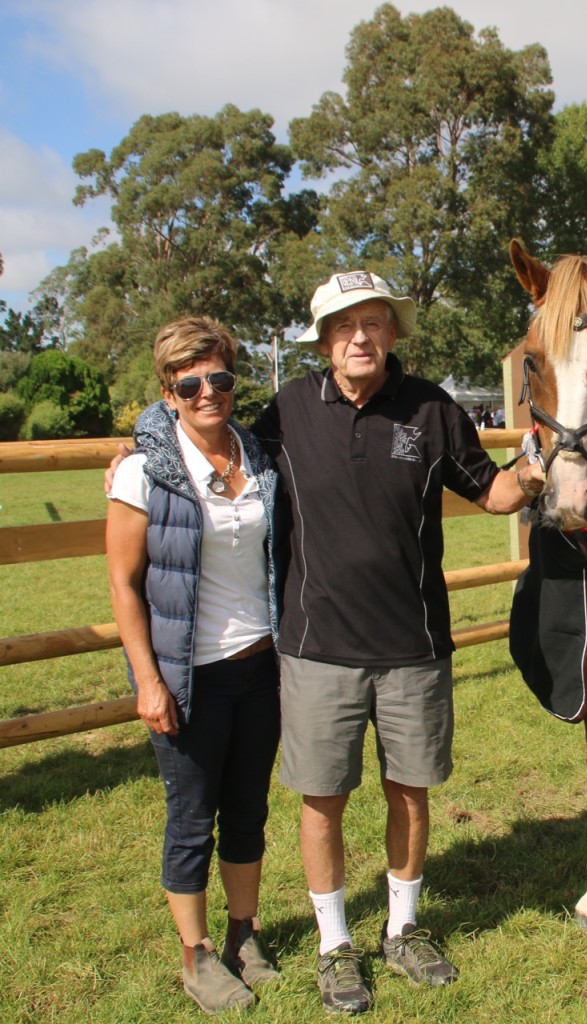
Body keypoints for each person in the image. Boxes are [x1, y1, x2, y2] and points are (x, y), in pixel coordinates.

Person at [250, 270, 544, 1014]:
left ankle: (404, 929)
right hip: (316, 648)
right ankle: (333, 944)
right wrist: (142, 451)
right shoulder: (285, 413)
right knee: (323, 800)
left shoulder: (432, 408)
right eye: (345, 326)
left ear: (392, 332)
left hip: (414, 646)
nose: (360, 337)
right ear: (323, 339)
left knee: (409, 792)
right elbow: (216, 452)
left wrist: (545, 462)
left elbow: (494, 491)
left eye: (373, 323)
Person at [106, 317, 283, 1013]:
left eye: (220, 377)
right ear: (168, 392)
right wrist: (148, 679)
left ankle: (245, 933)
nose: (208, 391)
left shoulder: (260, 454)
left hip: (259, 665)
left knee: (247, 811)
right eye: (190, 382)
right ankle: (197, 956)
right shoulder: (141, 469)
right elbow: (123, 584)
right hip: (187, 676)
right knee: (191, 820)